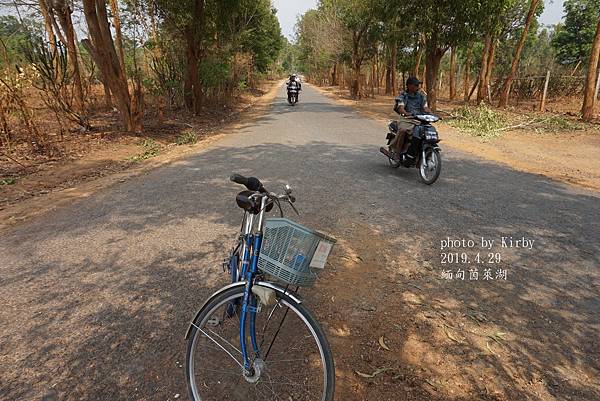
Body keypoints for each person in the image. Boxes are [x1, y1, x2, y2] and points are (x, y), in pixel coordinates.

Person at [389, 77, 431, 163]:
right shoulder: (403, 96)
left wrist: (431, 114)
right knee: (403, 130)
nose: (417, 86)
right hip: (406, 119)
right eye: (415, 85)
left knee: (426, 132)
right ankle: (397, 152)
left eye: (418, 85)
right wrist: (405, 113)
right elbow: (401, 108)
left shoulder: (421, 96)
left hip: (419, 119)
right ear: (409, 86)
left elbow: (425, 108)